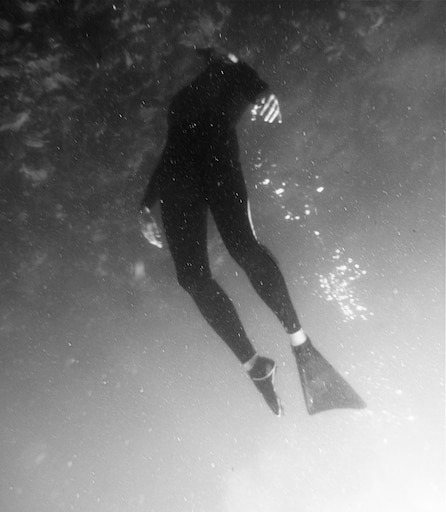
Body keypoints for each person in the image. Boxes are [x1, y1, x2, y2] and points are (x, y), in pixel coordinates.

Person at [138, 47, 365, 417]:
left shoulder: (224, 67)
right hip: (178, 178)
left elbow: (249, 80)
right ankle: (253, 364)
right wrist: (146, 204)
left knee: (243, 246)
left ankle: (299, 342)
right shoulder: (179, 100)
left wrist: (264, 95)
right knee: (192, 278)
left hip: (216, 160)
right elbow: (171, 148)